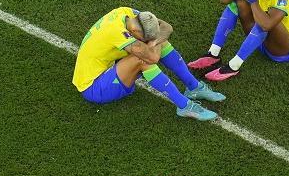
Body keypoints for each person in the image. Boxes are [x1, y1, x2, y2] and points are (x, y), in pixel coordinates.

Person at [72, 7, 225, 121]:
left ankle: (194, 87)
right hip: (94, 87)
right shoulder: (116, 32)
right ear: (133, 30)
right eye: (142, 37)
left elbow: (167, 27)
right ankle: (184, 106)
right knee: (142, 58)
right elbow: (152, 58)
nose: (144, 40)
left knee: (159, 41)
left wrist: (154, 40)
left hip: (109, 69)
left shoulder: (128, 14)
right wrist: (154, 42)